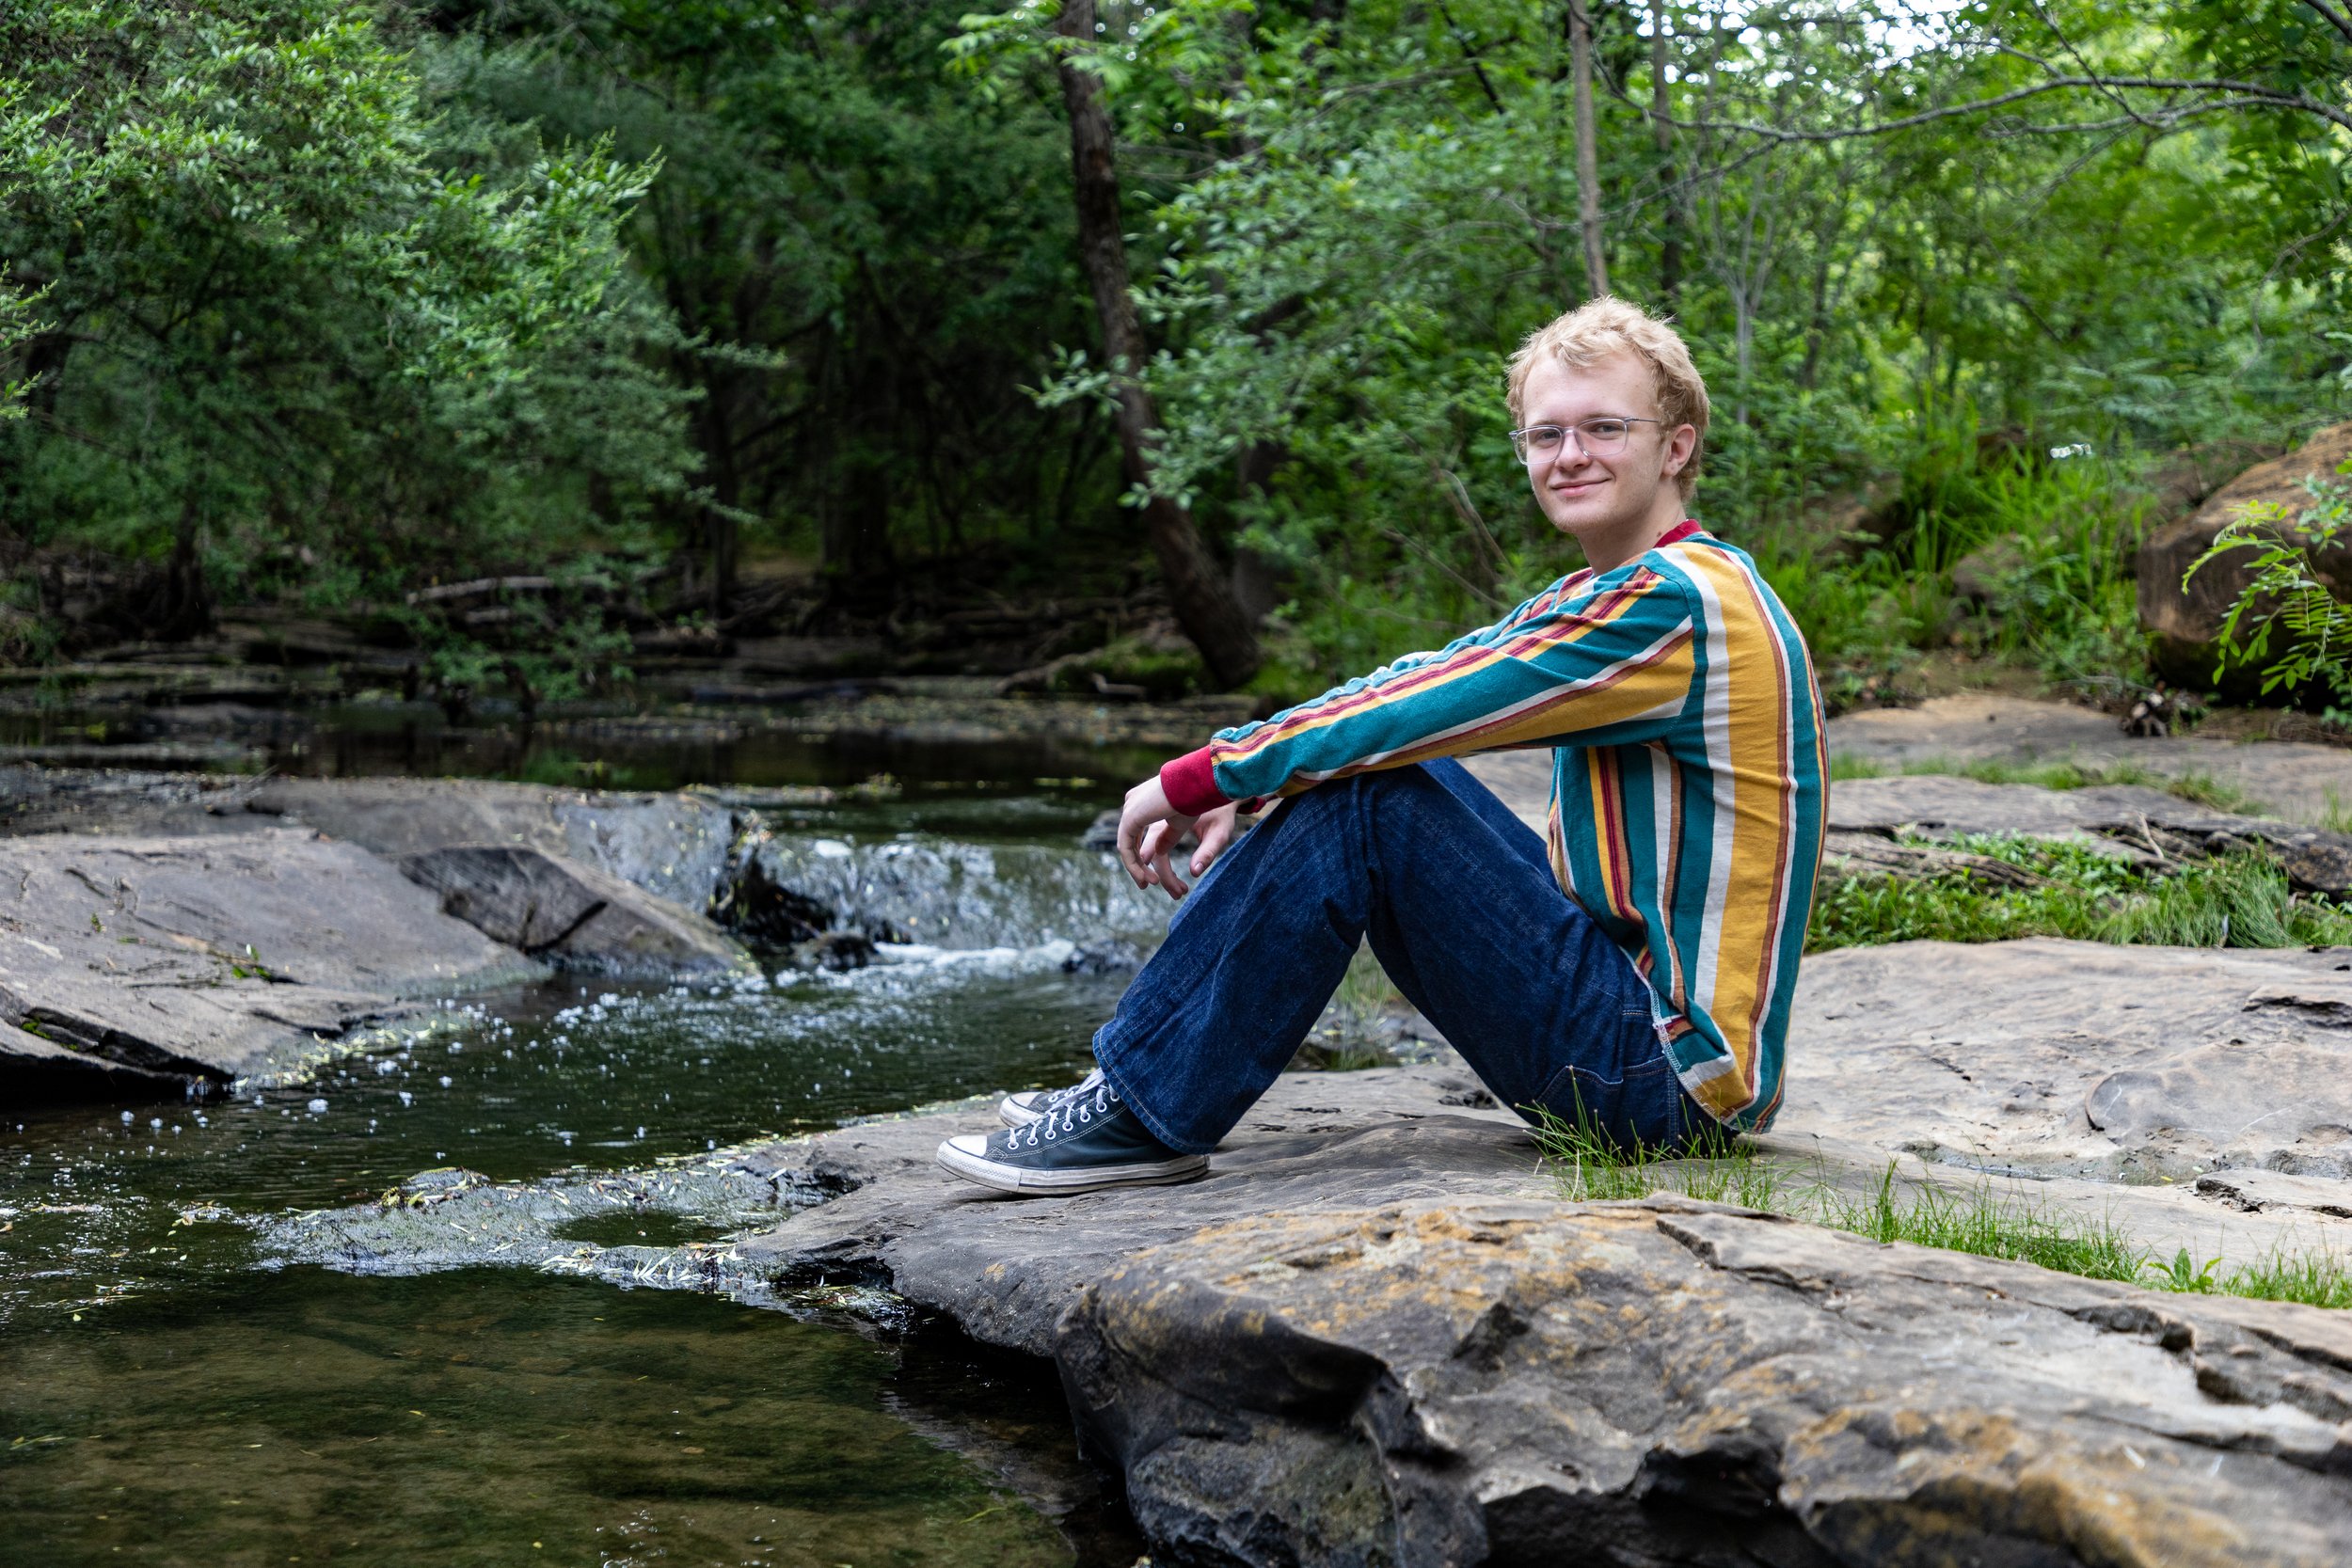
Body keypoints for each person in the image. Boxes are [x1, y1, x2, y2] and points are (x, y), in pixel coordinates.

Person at [936, 296, 1825, 1196]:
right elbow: (1424, 674)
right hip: (1640, 1050)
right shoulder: (1629, 588)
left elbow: (1417, 711)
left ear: (1674, 447)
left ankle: (1144, 1112)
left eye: (1604, 428)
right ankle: (1132, 1087)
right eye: (1546, 434)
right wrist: (1246, 787)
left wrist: (1208, 773)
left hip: (1660, 1081)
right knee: (1373, 773)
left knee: (1372, 793)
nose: (1570, 455)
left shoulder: (1668, 605)